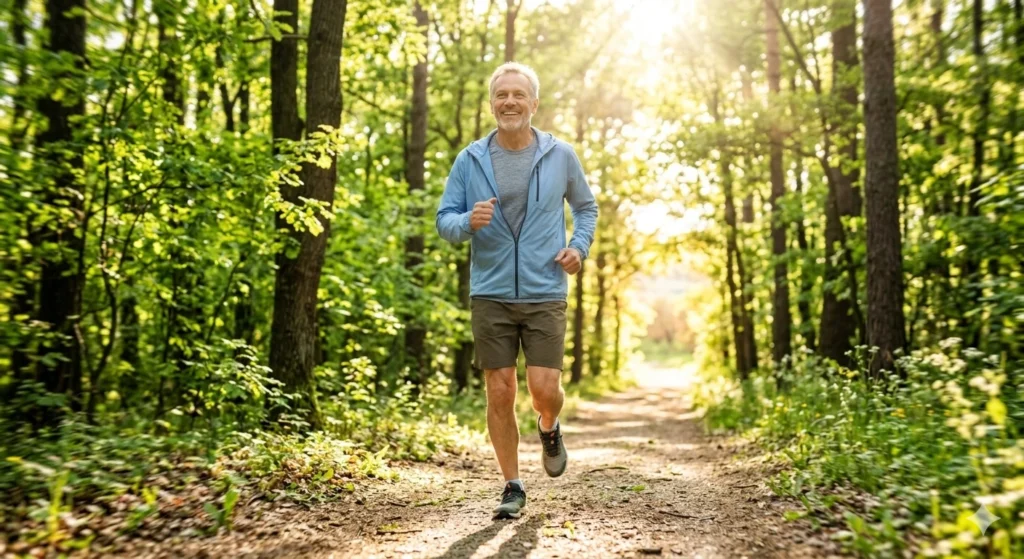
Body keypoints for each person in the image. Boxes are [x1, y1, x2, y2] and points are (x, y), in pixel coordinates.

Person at [435, 62, 598, 519]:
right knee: (500, 389)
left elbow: (586, 207)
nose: (509, 102)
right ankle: (512, 485)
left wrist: (578, 248)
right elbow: (445, 220)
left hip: (545, 287)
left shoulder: (559, 155)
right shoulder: (470, 160)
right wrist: (468, 222)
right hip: (490, 291)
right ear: (492, 104)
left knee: (544, 389)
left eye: (518, 94)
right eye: (501, 95)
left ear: (534, 103)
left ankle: (549, 425)